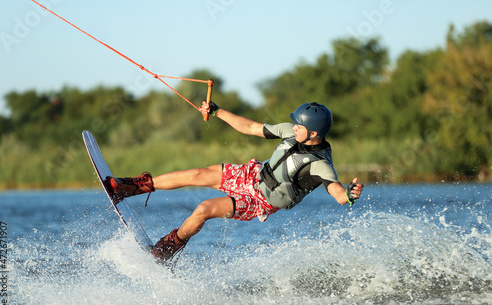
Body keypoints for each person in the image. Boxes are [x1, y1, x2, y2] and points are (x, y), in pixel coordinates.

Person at [106, 101, 364, 264]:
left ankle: (166, 249)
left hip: (261, 200)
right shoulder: (291, 130)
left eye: (299, 126)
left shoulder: (320, 164)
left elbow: (337, 192)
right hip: (253, 173)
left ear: (314, 134)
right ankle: (130, 188)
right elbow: (251, 127)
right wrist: (217, 111)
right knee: (197, 174)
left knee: (205, 209)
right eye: (295, 123)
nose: (294, 127)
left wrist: (349, 196)